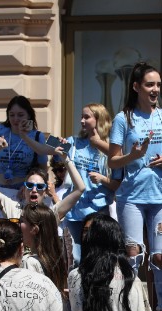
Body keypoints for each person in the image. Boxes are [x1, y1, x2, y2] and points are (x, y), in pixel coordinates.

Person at [109, 62, 162, 311]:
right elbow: (113, 161)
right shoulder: (122, 119)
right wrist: (134, 156)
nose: (155, 90)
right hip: (132, 199)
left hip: (161, 197)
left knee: (161, 257)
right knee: (133, 254)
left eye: (158, 85)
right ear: (136, 87)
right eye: (150, 85)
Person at [0, 135, 86, 222]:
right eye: (29, 185)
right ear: (24, 189)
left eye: (39, 187)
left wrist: (65, 158)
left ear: (45, 192)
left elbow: (80, 188)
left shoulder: (51, 214)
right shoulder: (13, 208)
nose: (34, 190)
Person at [0, 96, 47, 230]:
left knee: (17, 232)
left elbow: (43, 167)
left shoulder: (37, 136)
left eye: (20, 115)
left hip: (20, 191)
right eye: (12, 115)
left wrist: (30, 187)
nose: (15, 119)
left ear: (29, 114)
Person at [61, 103, 117, 266]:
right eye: (81, 117)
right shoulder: (74, 142)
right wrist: (57, 145)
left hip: (98, 209)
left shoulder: (110, 148)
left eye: (87, 117)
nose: (82, 121)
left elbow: (118, 185)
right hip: (75, 209)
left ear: (99, 119)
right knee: (76, 259)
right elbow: (49, 149)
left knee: (98, 256)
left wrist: (102, 179)